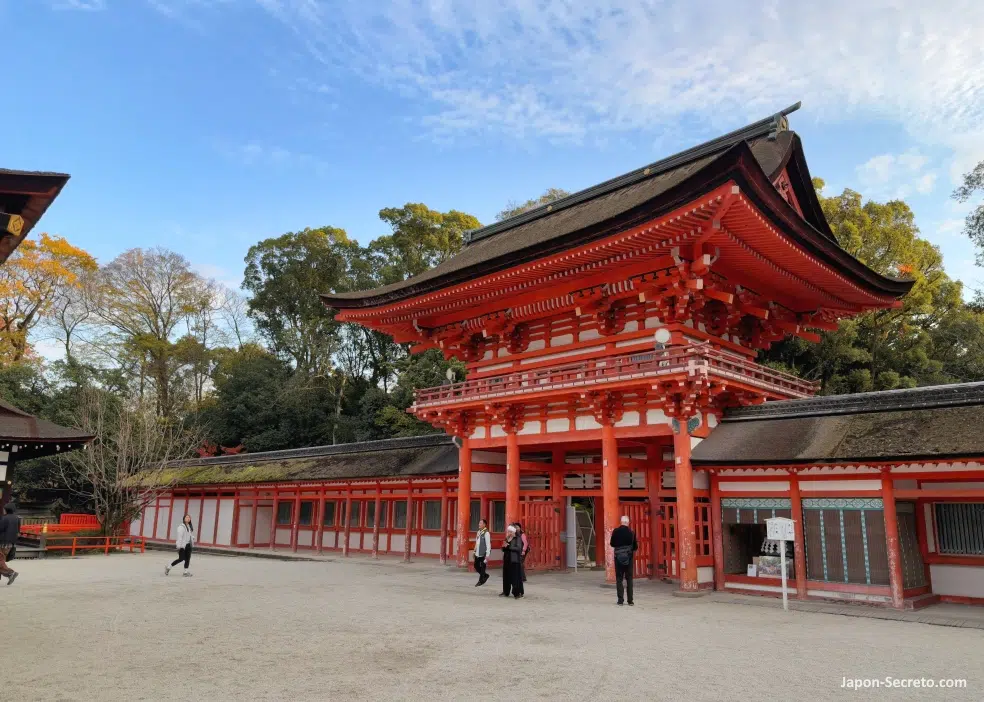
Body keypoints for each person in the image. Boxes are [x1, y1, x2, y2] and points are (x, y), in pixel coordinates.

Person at [610, 515, 638, 606]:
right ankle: (630, 601)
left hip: (618, 557)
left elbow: (612, 544)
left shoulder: (615, 531)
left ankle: (620, 600)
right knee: (629, 578)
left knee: (619, 578)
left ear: (621, 522)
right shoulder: (632, 532)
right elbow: (635, 547)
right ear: (628, 522)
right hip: (628, 557)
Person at [499, 525, 524, 599]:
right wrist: (504, 547)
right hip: (507, 559)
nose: (509, 533)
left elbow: (519, 548)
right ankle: (506, 591)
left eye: (510, 532)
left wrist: (509, 547)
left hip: (514, 560)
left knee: (515, 577)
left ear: (514, 532)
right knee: (506, 576)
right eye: (508, 531)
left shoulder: (517, 539)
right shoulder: (507, 538)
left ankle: (517, 592)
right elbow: (503, 549)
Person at [0, 505, 21, 586]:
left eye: (4, 509)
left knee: (0, 559)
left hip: (2, 542)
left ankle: (10, 573)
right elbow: (18, 532)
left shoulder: (4, 518)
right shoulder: (17, 518)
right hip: (11, 543)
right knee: (1, 559)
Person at [473, 518, 492, 586]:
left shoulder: (486, 533)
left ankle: (480, 581)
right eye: (479, 523)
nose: (479, 524)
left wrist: (487, 555)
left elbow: (488, 544)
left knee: (483, 567)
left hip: (484, 553)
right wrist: (474, 551)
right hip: (477, 552)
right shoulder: (478, 532)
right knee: (476, 565)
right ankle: (485, 575)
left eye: (480, 523)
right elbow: (477, 542)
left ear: (484, 524)